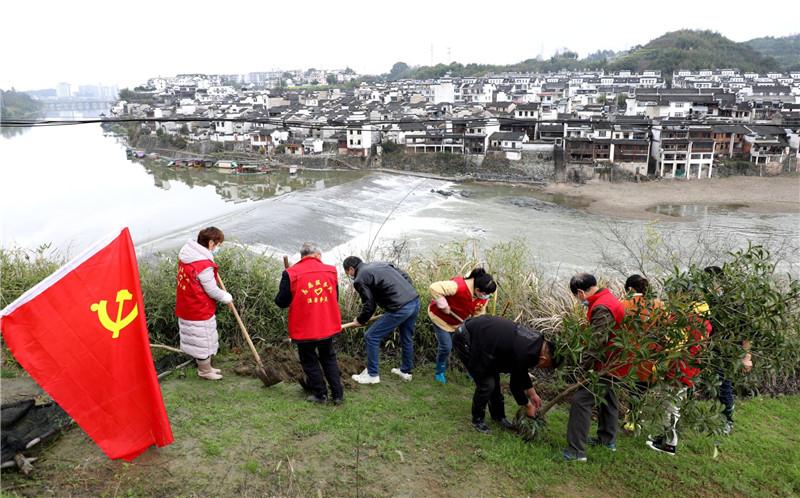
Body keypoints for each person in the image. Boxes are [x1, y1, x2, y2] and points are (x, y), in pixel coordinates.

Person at [452, 315, 555, 434]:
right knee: (487, 384)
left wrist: (532, 393)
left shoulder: (536, 343)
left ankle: (498, 417)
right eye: (547, 366)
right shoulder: (527, 351)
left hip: (485, 343)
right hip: (467, 339)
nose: (543, 368)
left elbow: (521, 371)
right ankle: (477, 420)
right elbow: (515, 384)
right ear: (544, 359)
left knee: (493, 379)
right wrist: (527, 405)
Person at [564, 273, 625, 462]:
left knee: (581, 401)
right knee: (609, 398)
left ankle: (576, 452)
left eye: (577, 297)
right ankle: (607, 440)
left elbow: (596, 343)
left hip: (607, 363)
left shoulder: (601, 308)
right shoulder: (608, 298)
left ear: (580, 292)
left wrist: (582, 369)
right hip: (617, 361)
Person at [274, 243, 344, 405]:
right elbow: (335, 297)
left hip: (304, 326)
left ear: (302, 256)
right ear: (317, 255)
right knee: (329, 357)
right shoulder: (331, 271)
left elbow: (281, 302)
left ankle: (320, 394)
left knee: (309, 360)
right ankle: (338, 395)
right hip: (327, 323)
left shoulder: (291, 274)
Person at [645, 300, 712, 455]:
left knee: (671, 406)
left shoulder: (685, 321)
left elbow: (672, 344)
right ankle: (664, 437)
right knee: (672, 404)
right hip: (690, 370)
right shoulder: (705, 324)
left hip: (677, 369)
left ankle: (670, 444)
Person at [343, 256, 420, 384]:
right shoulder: (381, 264)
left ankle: (372, 375)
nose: (349, 276)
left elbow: (369, 305)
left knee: (371, 336)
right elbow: (405, 276)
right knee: (407, 337)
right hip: (414, 300)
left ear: (351, 269)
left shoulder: (359, 279)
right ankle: (405, 371)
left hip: (400, 308)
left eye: (347, 273)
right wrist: (403, 296)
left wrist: (360, 320)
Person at [175, 227, 232, 380]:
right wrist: (226, 296)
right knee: (203, 339)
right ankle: (204, 371)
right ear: (211, 243)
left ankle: (206, 368)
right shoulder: (202, 264)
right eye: (218, 244)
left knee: (196, 338)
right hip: (199, 307)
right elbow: (212, 290)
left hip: (186, 304)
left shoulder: (188, 255)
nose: (218, 247)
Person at [703, 265, 752, 435]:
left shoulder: (735, 304)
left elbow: (745, 332)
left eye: (708, 281)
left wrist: (747, 357)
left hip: (728, 353)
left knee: (724, 386)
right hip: (708, 350)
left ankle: (728, 420)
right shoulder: (708, 299)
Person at [428, 268, 496, 384]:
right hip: (440, 319)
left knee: (470, 346)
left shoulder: (483, 296)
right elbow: (434, 287)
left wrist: (476, 329)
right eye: (486, 294)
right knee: (446, 347)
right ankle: (439, 372)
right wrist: (443, 305)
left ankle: (472, 372)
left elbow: (478, 314)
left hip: (458, 322)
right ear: (478, 290)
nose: (487, 297)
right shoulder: (458, 286)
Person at [620, 274, 665, 432]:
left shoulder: (624, 304)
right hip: (649, 355)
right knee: (639, 389)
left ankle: (627, 420)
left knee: (625, 387)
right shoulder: (659, 305)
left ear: (630, 289)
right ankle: (633, 419)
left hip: (627, 354)